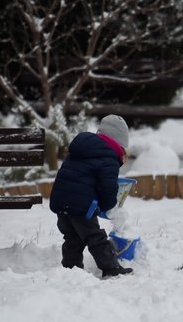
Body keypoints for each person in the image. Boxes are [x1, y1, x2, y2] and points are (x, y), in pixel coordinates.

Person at [49, 114, 134, 278]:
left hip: (61, 201)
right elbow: (108, 187)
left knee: (73, 238)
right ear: (120, 142)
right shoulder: (109, 156)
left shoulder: (82, 147)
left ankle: (70, 270)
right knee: (96, 237)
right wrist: (109, 205)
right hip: (81, 205)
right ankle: (111, 269)